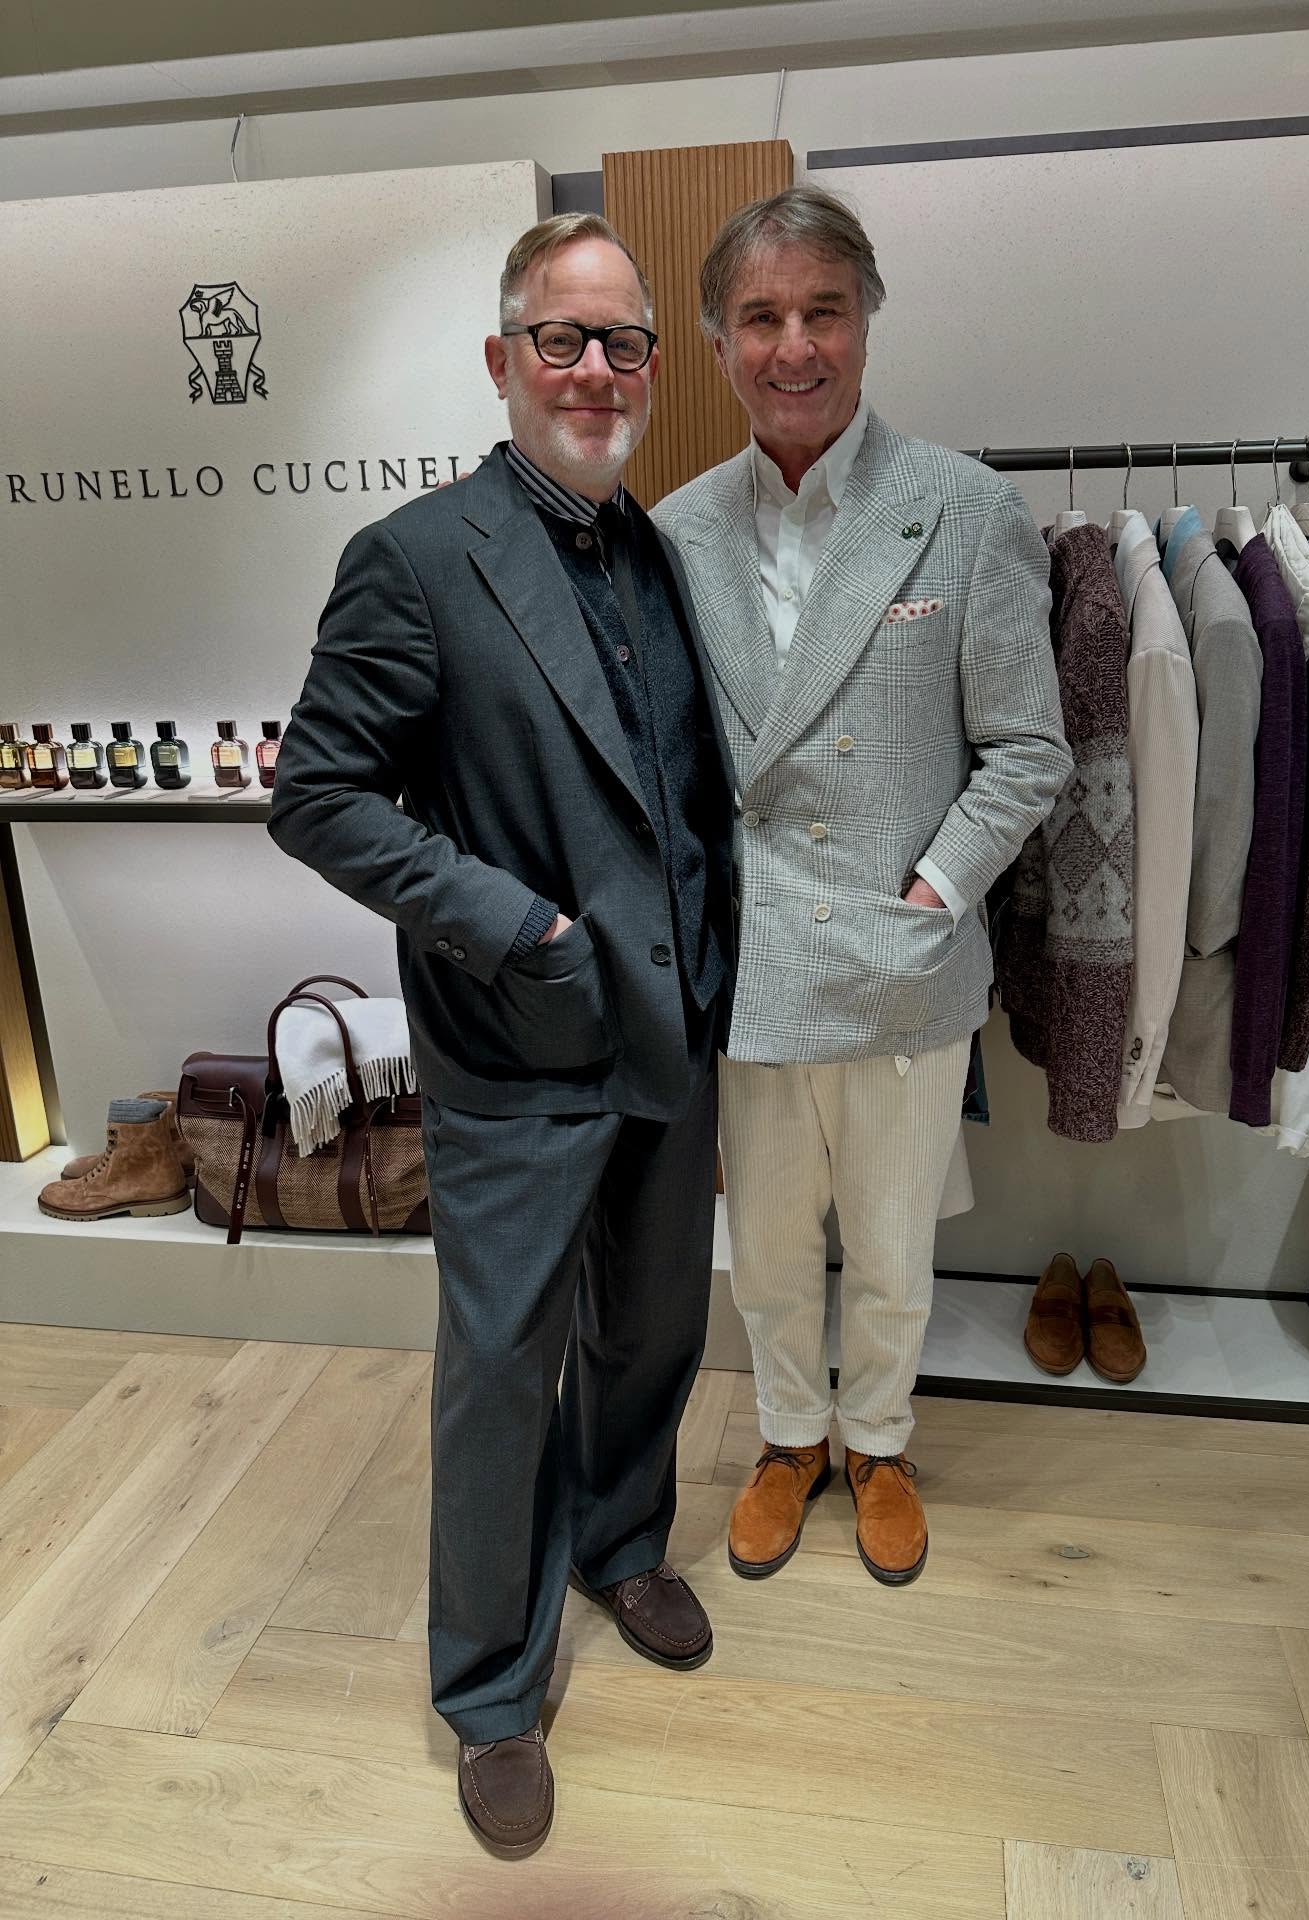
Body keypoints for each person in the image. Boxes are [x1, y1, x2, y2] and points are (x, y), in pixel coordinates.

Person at [268, 212, 736, 1859]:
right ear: (504, 359)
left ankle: (619, 1542)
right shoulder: (415, 558)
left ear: (652, 369)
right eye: (563, 338)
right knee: (499, 1370)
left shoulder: (654, 548)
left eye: (623, 343)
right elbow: (318, 797)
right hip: (521, 1039)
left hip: (670, 1027)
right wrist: (516, 926)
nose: (596, 369)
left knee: (653, 1330)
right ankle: (487, 1685)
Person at [653, 186, 1068, 1589]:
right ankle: (788, 1437)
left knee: (892, 1242)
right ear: (718, 342)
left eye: (823, 311)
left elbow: (1029, 750)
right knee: (769, 1243)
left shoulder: (963, 509)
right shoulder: (677, 535)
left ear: (867, 323)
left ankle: (880, 1441)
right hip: (755, 959)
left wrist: (935, 893)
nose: (795, 347)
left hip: (902, 954)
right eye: (761, 317)